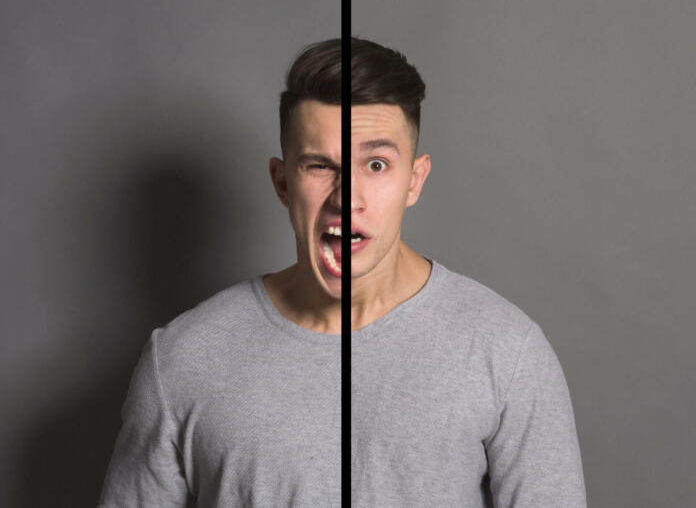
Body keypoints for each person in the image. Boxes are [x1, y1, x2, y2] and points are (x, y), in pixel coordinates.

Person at [99, 37, 587, 507]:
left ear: (413, 181)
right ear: (282, 181)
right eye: (320, 166)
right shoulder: (182, 361)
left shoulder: (506, 351)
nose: (346, 198)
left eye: (376, 164)